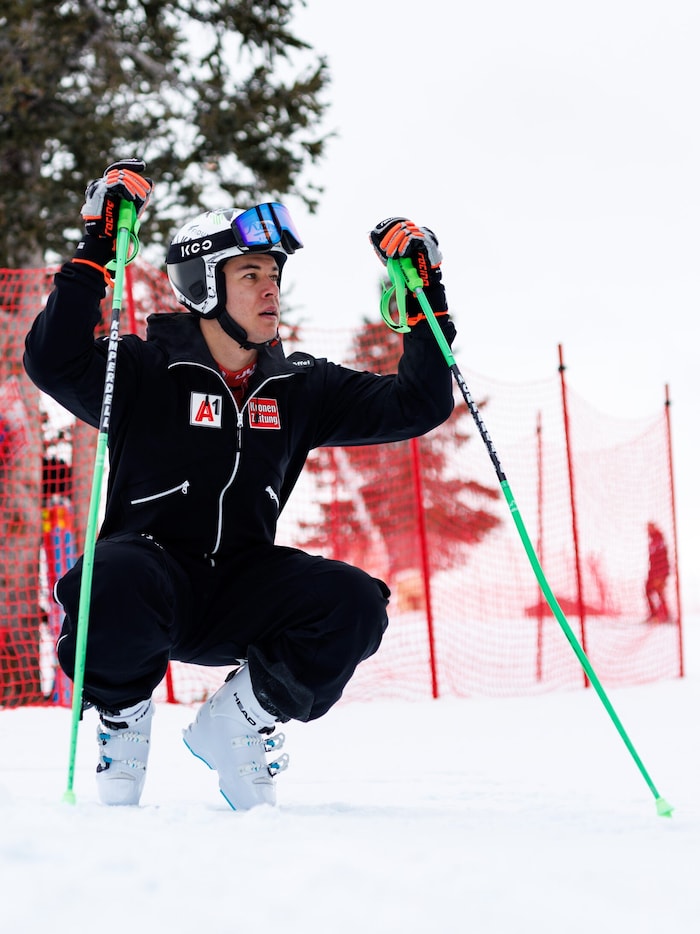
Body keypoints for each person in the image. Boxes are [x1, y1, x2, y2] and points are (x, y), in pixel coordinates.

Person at [23, 160, 456, 810]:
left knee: (354, 602)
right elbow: (51, 360)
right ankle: (122, 718)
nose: (270, 289)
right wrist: (94, 251)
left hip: (242, 587)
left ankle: (238, 722)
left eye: (274, 275)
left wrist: (429, 302)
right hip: (149, 583)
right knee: (111, 574)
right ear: (204, 284)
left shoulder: (300, 384)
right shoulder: (144, 367)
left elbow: (417, 405)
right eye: (250, 274)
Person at [645, 521, 670, 623]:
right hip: (653, 572)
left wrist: (662, 575)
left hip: (660, 572)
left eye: (649, 527)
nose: (648, 530)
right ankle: (655, 614)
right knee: (648, 590)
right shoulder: (651, 542)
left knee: (659, 592)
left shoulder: (659, 540)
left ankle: (663, 615)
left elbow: (663, 558)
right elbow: (652, 561)